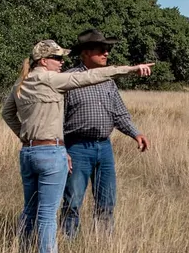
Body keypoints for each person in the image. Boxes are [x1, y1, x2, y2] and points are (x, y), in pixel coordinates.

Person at [1, 39, 152, 253]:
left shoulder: (21, 83)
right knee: (48, 214)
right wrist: (130, 69)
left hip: (29, 152)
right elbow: (89, 77)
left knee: (30, 210)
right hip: (52, 153)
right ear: (43, 60)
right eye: (57, 58)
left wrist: (25, 136)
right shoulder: (52, 80)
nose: (62, 62)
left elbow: (7, 113)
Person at [60, 29, 149, 238]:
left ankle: (103, 246)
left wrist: (136, 133)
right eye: (101, 50)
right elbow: (55, 120)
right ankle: (69, 242)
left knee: (107, 201)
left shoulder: (108, 81)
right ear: (85, 52)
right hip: (76, 147)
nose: (106, 53)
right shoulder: (67, 80)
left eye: (107, 49)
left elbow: (119, 113)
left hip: (104, 147)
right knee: (72, 201)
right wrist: (61, 150)